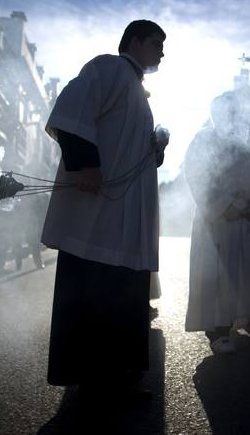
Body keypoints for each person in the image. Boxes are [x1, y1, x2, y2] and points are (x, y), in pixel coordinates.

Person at [41, 20, 167, 397]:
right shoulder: (109, 68)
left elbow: (132, 156)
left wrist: (156, 147)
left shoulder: (139, 91)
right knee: (98, 291)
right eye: (158, 44)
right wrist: (88, 165)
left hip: (125, 218)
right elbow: (71, 109)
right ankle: (99, 378)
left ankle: (117, 375)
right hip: (100, 214)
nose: (163, 52)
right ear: (135, 41)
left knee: (123, 293)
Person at [184, 92, 250, 354]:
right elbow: (197, 176)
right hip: (219, 222)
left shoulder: (242, 146)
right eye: (232, 112)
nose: (238, 118)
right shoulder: (203, 139)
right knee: (220, 275)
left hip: (246, 221)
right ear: (218, 113)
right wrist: (224, 206)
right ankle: (219, 333)